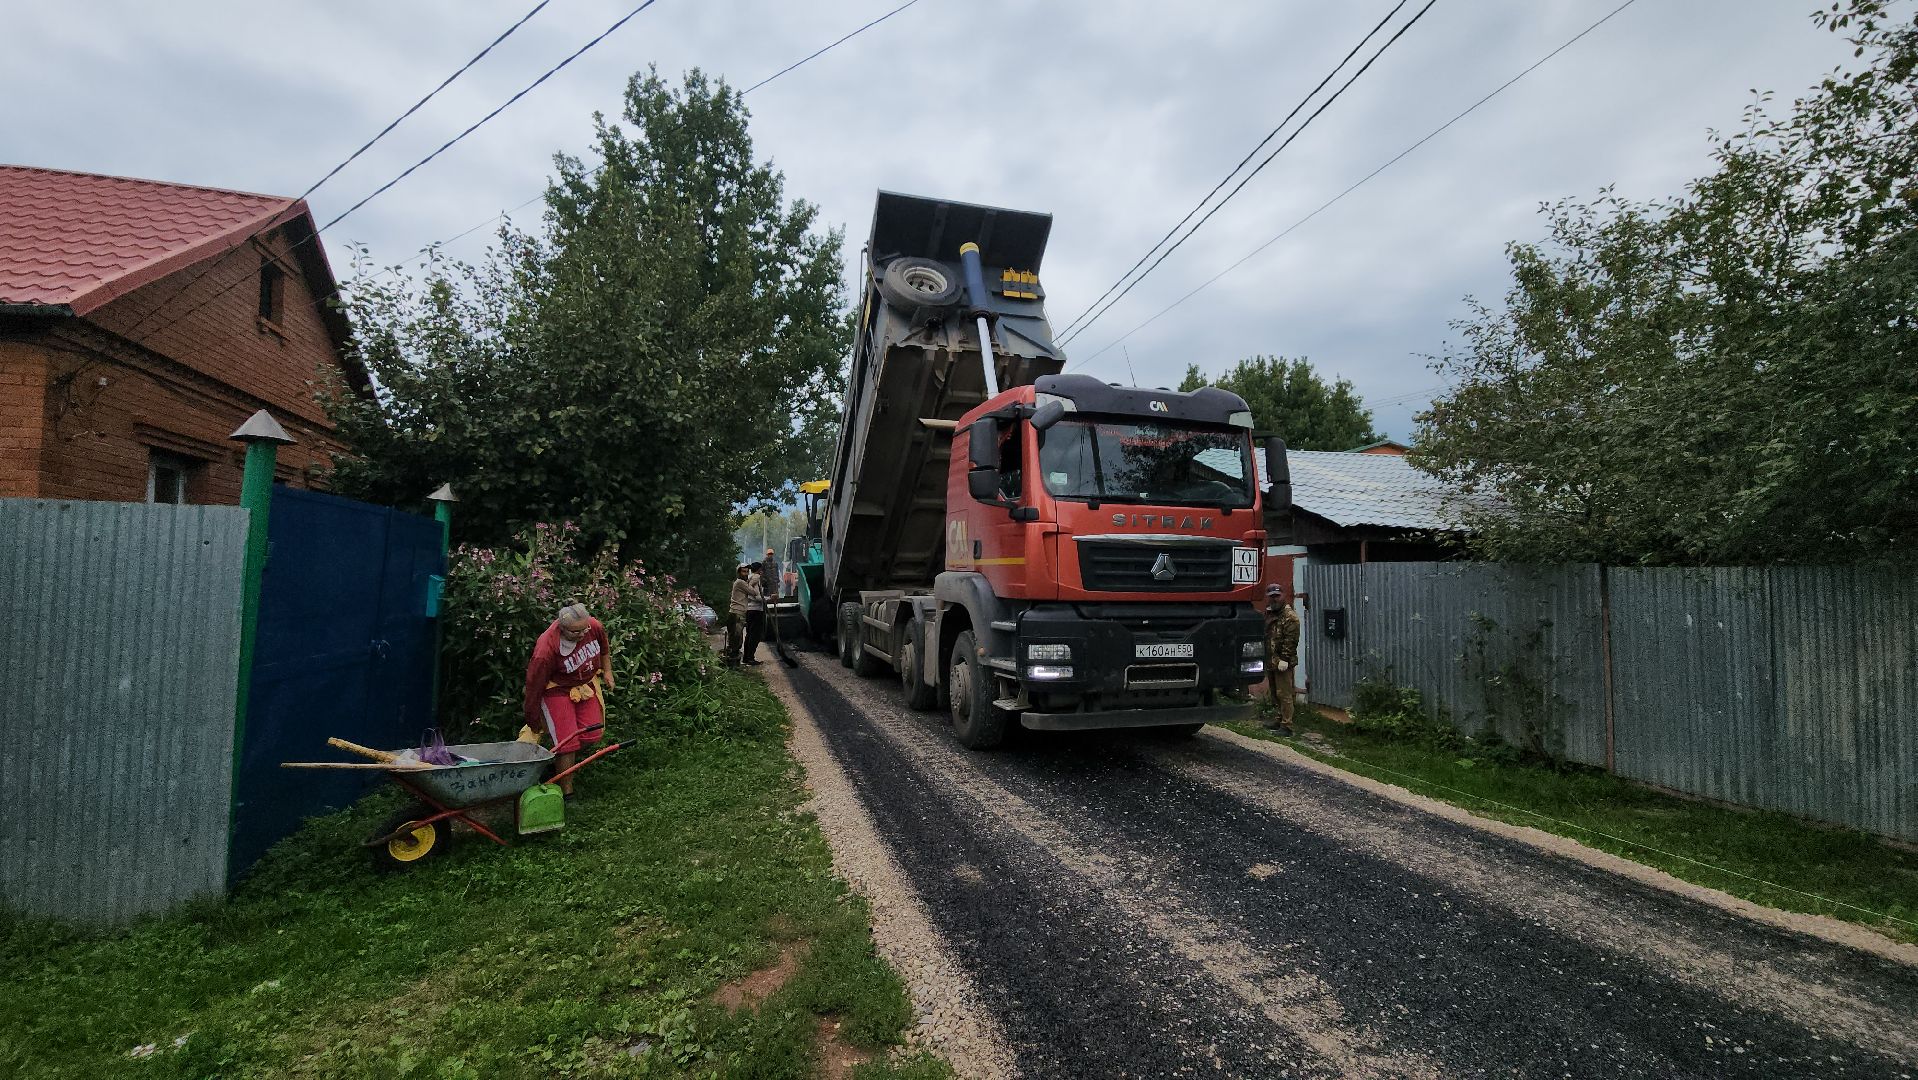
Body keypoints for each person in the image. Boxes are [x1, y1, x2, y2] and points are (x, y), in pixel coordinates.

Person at [523, 602, 614, 796]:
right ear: (561, 627)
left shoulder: (593, 626)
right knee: (567, 742)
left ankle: (555, 766)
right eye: (575, 632)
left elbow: (604, 649)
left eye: (584, 629)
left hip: (584, 685)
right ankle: (567, 793)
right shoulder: (545, 650)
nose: (582, 635)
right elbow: (533, 686)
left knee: (592, 733)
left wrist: (607, 672)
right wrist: (532, 716)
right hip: (555, 690)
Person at [1263, 584, 1301, 735]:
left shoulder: (1289, 616)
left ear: (1283, 595)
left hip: (1283, 661)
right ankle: (1279, 719)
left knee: (1284, 693)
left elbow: (1291, 640)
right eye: (1271, 596)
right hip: (1272, 660)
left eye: (1277, 596)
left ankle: (1287, 726)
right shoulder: (1272, 614)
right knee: (1275, 693)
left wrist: (1285, 659)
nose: (1274, 599)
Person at [725, 564, 755, 665]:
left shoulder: (742, 582)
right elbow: (753, 592)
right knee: (735, 638)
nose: (746, 574)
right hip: (736, 613)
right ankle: (732, 663)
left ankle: (734, 662)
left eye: (747, 571)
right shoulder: (740, 582)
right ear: (739, 573)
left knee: (737, 638)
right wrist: (755, 580)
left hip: (738, 613)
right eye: (743, 571)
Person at [742, 566, 768, 666]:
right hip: (756, 610)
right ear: (759, 570)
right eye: (761, 570)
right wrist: (768, 599)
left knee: (749, 634)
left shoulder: (749, 579)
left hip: (749, 610)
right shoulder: (756, 579)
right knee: (755, 635)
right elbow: (757, 597)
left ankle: (746, 658)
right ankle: (750, 658)